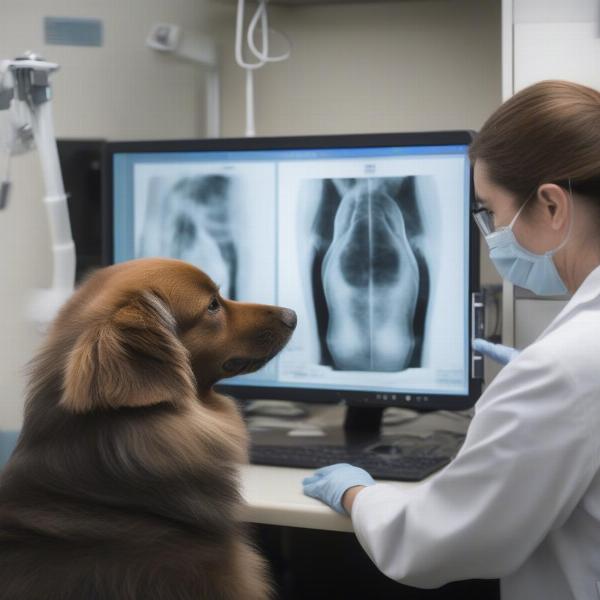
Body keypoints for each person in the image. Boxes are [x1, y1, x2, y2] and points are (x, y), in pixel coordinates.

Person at [302, 80, 600, 599]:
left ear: (552, 206)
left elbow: (433, 543)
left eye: (491, 210)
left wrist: (356, 493)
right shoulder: (574, 361)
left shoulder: (569, 366)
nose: (493, 231)